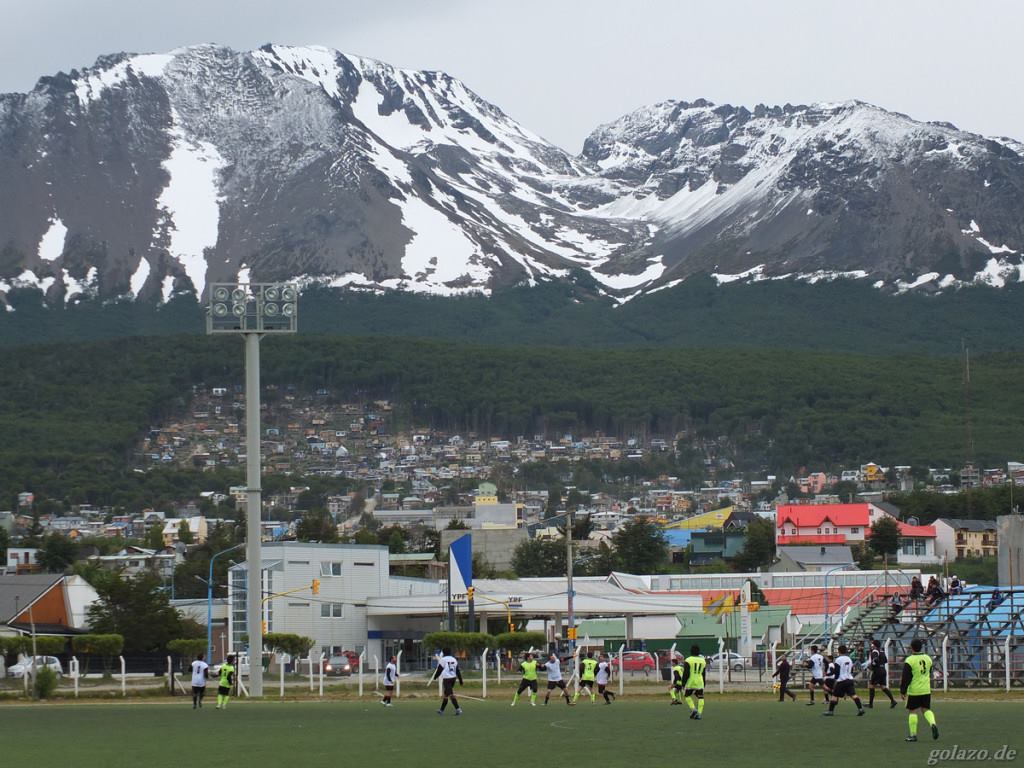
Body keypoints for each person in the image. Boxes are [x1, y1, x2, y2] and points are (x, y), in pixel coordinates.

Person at [900, 638, 939, 742]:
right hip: (926, 689)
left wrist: (903, 691)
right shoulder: (928, 658)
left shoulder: (910, 660)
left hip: (914, 690)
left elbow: (906, 677)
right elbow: (929, 672)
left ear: (911, 648)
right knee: (926, 709)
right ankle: (933, 724)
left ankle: (913, 735)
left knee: (912, 711)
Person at [823, 645, 865, 717]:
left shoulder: (838, 659)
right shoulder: (849, 659)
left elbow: (837, 671)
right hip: (849, 679)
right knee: (853, 695)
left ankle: (830, 711)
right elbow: (851, 670)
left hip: (841, 680)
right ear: (845, 651)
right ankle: (860, 709)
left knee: (834, 695)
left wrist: (835, 679)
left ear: (839, 651)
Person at [863, 638, 896, 708]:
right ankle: (893, 701)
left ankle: (870, 704)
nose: (871, 645)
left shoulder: (875, 651)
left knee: (871, 686)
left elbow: (875, 660)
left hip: (877, 671)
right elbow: (885, 660)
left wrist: (872, 665)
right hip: (883, 670)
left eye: (872, 644)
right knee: (883, 687)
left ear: (874, 645)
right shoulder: (881, 651)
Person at [430, 648, 463, 715]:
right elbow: (457, 671)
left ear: (444, 653)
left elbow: (439, 669)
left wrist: (435, 677)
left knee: (451, 694)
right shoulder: (454, 659)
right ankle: (441, 710)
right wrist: (460, 680)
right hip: (453, 678)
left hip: (447, 679)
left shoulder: (443, 659)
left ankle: (458, 709)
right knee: (446, 695)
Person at [680, 645, 707, 720]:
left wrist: (683, 683)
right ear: (698, 652)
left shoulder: (688, 660)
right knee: (701, 697)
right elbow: (703, 673)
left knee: (687, 695)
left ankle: (693, 709)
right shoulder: (703, 661)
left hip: (691, 681)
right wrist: (704, 682)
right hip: (699, 682)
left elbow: (686, 673)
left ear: (691, 651)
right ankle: (699, 714)